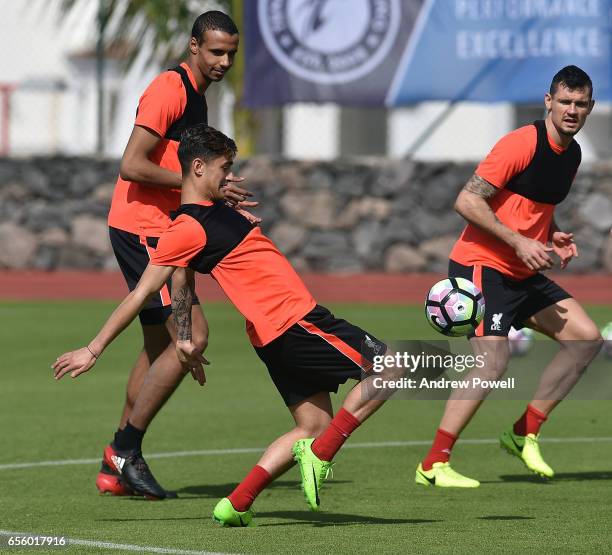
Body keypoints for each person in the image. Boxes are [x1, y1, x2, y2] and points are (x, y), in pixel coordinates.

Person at [53, 124, 403, 526]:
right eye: (225, 167)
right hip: (295, 321)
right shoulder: (186, 227)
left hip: (273, 334)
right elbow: (141, 293)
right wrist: (93, 348)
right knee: (395, 366)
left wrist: (184, 338)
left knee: (311, 425)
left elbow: (183, 279)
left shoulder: (213, 214)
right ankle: (322, 454)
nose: (230, 176)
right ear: (198, 168)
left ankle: (235, 504)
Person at [415, 65, 603, 488]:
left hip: (524, 268)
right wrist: (519, 241)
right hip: (482, 265)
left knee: (585, 339)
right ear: (548, 101)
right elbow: (467, 201)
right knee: (493, 360)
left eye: (581, 104)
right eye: (565, 102)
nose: (572, 110)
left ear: (589, 107)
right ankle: (433, 463)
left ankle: (524, 432)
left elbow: (535, 206)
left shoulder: (571, 154)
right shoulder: (521, 143)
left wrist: (552, 235)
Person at [100, 10, 257, 500]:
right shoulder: (170, 90)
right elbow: (131, 165)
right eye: (215, 51)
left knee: (157, 349)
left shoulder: (199, 98)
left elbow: (184, 173)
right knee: (194, 337)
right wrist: (196, 184)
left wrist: (213, 192)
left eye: (230, 52)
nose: (224, 60)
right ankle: (126, 448)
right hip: (143, 231)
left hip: (156, 228)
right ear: (193, 47)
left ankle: (114, 466)